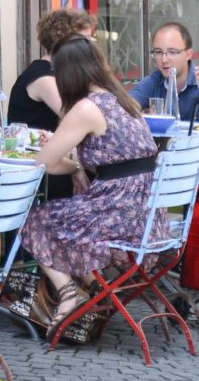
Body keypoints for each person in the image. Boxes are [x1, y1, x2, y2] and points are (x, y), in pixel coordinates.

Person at [21, 35, 169, 336]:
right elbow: (116, 157)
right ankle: (94, 287)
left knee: (35, 219)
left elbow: (43, 163)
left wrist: (70, 163)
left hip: (119, 215)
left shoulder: (87, 108)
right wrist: (77, 164)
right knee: (66, 216)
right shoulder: (124, 101)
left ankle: (69, 294)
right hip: (147, 217)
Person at [8, 9, 97, 133]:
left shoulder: (60, 71)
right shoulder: (43, 78)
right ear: (65, 40)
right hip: (31, 150)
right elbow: (78, 117)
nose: (91, 45)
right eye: (85, 39)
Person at [129, 21, 199, 122]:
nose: (164, 60)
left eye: (172, 52)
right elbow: (125, 107)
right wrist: (141, 117)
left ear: (188, 54)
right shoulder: (154, 81)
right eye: (158, 52)